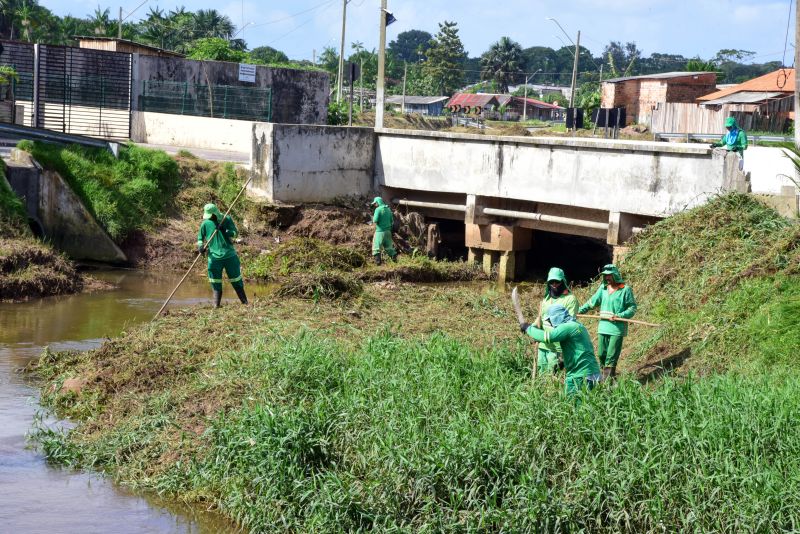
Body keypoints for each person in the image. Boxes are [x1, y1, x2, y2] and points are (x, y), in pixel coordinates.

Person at [521, 304, 601, 396]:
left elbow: (548, 337)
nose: (551, 324)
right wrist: (562, 361)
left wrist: (528, 328)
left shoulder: (567, 327)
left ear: (556, 317)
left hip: (579, 375)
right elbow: (575, 348)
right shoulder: (578, 326)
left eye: (551, 320)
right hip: (592, 373)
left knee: (574, 405)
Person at [578, 264, 637, 380]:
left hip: (617, 328)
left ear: (615, 275)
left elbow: (632, 307)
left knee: (611, 355)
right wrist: (579, 311)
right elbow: (592, 302)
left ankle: (607, 380)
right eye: (605, 276)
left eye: (609, 276)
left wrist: (620, 315)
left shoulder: (625, 289)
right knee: (601, 354)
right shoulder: (603, 288)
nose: (607, 278)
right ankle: (606, 376)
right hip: (603, 326)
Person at [197, 203, 247, 308]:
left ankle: (245, 303)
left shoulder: (226, 219)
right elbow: (200, 238)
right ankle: (216, 306)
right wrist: (201, 247)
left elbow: (235, 233)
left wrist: (225, 230)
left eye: (210, 215)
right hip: (214, 258)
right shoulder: (205, 223)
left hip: (229, 255)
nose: (209, 218)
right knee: (215, 281)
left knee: (236, 280)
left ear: (215, 213)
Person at [536, 267, 580, 375]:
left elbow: (570, 323)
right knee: (541, 372)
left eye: (557, 282)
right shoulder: (546, 299)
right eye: (551, 282)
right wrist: (532, 328)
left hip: (558, 347)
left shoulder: (570, 299)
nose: (554, 284)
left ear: (563, 282)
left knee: (554, 375)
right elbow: (540, 318)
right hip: (543, 344)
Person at [370, 196, 397, 265]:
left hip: (380, 232)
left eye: (375, 203)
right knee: (389, 248)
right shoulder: (388, 209)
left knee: (376, 247)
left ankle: (378, 263)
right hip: (388, 232)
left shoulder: (378, 209)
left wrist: (373, 221)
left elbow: (375, 220)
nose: (375, 205)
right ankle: (395, 261)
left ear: (377, 203)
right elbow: (391, 221)